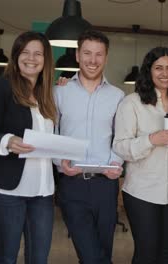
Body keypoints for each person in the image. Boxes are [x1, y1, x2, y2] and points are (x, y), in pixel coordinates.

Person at [112, 47, 168, 264]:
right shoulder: (132, 103)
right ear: (148, 71)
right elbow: (120, 147)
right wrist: (151, 140)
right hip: (143, 193)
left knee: (166, 254)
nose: (164, 73)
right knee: (146, 254)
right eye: (158, 68)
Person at [0, 31, 56, 264]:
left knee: (39, 258)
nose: (31, 58)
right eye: (25, 52)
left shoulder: (47, 95)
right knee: (6, 258)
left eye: (38, 54)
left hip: (42, 191)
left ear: (45, 60)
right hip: (7, 190)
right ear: (16, 56)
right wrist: (8, 141)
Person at [53, 30, 124, 264]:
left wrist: (117, 161)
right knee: (91, 255)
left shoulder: (118, 96)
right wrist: (58, 162)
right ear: (77, 55)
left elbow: (121, 136)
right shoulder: (59, 91)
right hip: (72, 184)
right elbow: (51, 133)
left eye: (98, 54)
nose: (92, 60)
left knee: (103, 251)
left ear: (106, 57)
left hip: (106, 185)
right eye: (87, 53)